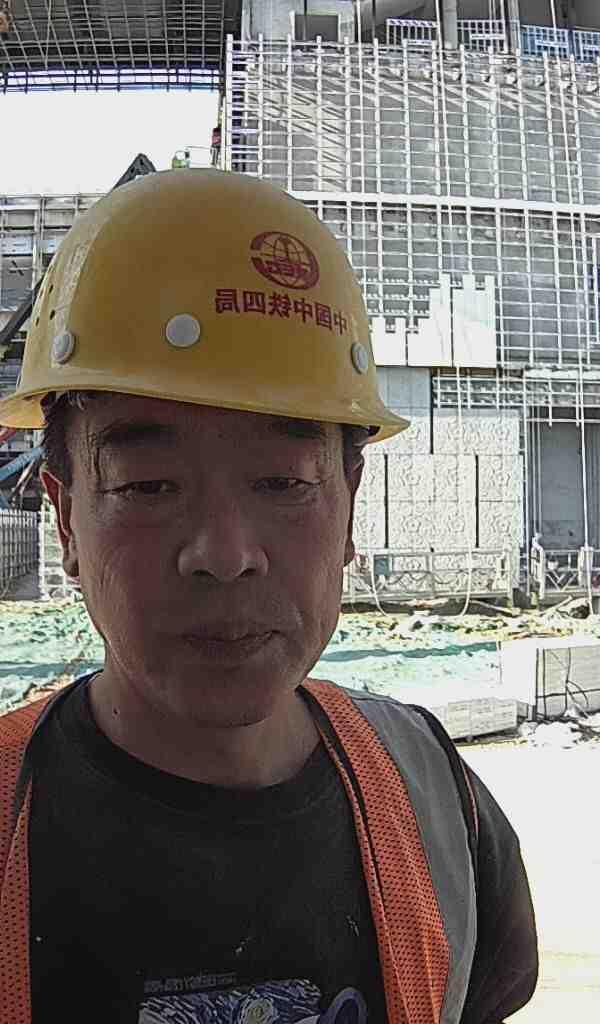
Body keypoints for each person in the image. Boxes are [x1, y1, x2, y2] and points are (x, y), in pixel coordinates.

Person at [0, 169, 538, 1024]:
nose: (225, 555)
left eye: (283, 482)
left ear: (349, 503)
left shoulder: (436, 801)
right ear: (66, 520)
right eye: (149, 486)